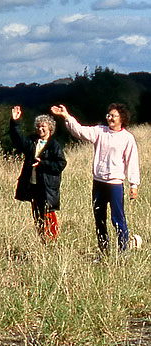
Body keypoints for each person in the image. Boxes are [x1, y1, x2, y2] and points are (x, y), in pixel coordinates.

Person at [51, 102, 140, 254]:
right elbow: (79, 131)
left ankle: (122, 252)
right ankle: (103, 251)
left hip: (115, 184)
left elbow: (132, 161)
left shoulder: (127, 138)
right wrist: (66, 116)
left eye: (114, 116)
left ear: (122, 118)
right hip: (98, 183)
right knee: (99, 218)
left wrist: (134, 184)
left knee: (117, 219)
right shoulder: (100, 131)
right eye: (109, 115)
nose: (110, 118)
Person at [9, 106, 67, 241]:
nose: (41, 129)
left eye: (44, 127)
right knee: (37, 216)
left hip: (47, 187)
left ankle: (52, 241)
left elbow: (60, 164)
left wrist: (43, 163)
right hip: (33, 185)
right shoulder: (32, 142)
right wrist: (14, 122)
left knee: (48, 215)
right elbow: (18, 140)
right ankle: (42, 240)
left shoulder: (54, 145)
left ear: (50, 128)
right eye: (39, 126)